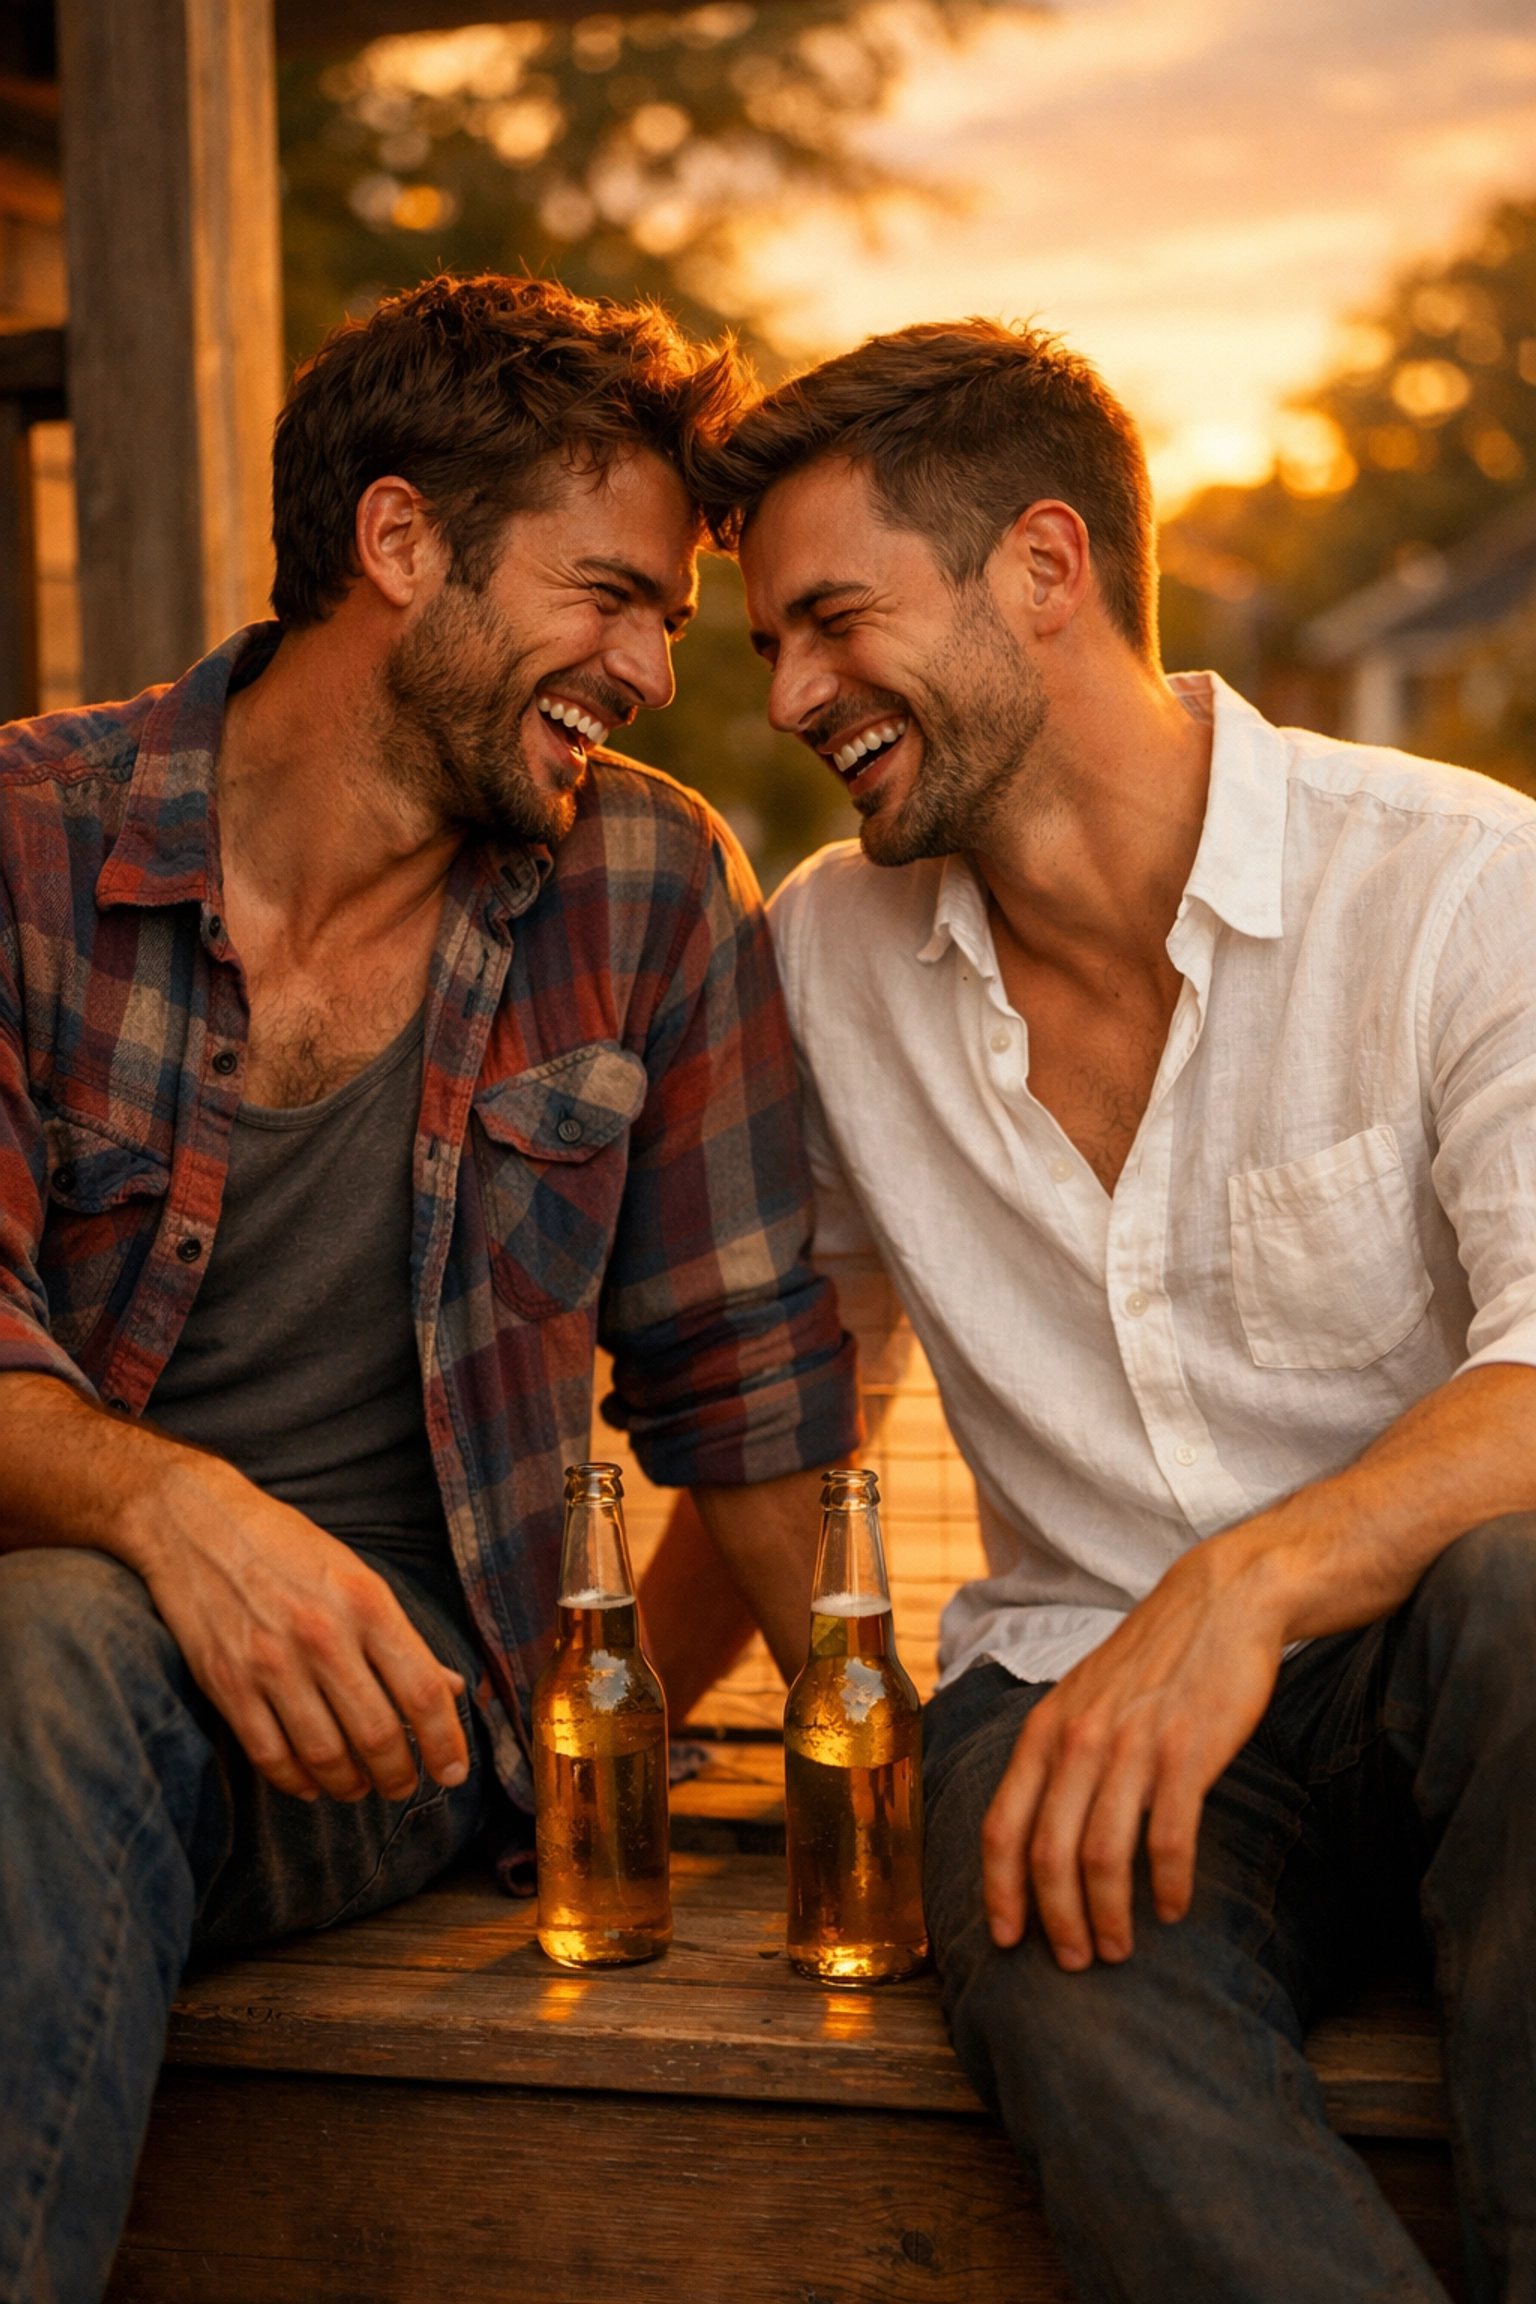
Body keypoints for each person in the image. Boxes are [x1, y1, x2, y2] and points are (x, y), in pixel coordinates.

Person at [0, 274, 859, 2304]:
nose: (651, 667)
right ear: (399, 541)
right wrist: (174, 1510)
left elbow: (744, 1396)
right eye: (611, 595)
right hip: (45, 1679)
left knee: (52, 1651)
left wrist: (805, 1772)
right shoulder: (28, 844)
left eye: (668, 617)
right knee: (60, 1634)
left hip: (386, 1735)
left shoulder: (649, 890)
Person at [676, 319, 1536, 2302]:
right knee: (1040, 1915)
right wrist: (695, 1705)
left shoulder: (1459, 885)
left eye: (834, 622)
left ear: (1045, 567)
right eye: (772, 648)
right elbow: (787, 1400)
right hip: (1066, 1683)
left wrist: (1243, 1588)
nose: (792, 696)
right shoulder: (821, 959)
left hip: (1450, 1676)